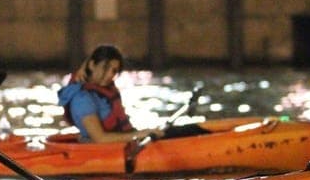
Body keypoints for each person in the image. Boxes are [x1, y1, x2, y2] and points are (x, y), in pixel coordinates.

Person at [58, 44, 208, 144]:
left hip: (130, 140)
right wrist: (142, 134)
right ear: (92, 64)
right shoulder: (82, 99)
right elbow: (100, 138)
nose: (110, 74)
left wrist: (143, 133)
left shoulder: (101, 86)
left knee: (191, 130)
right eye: (106, 67)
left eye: (114, 71)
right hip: (116, 148)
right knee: (188, 134)